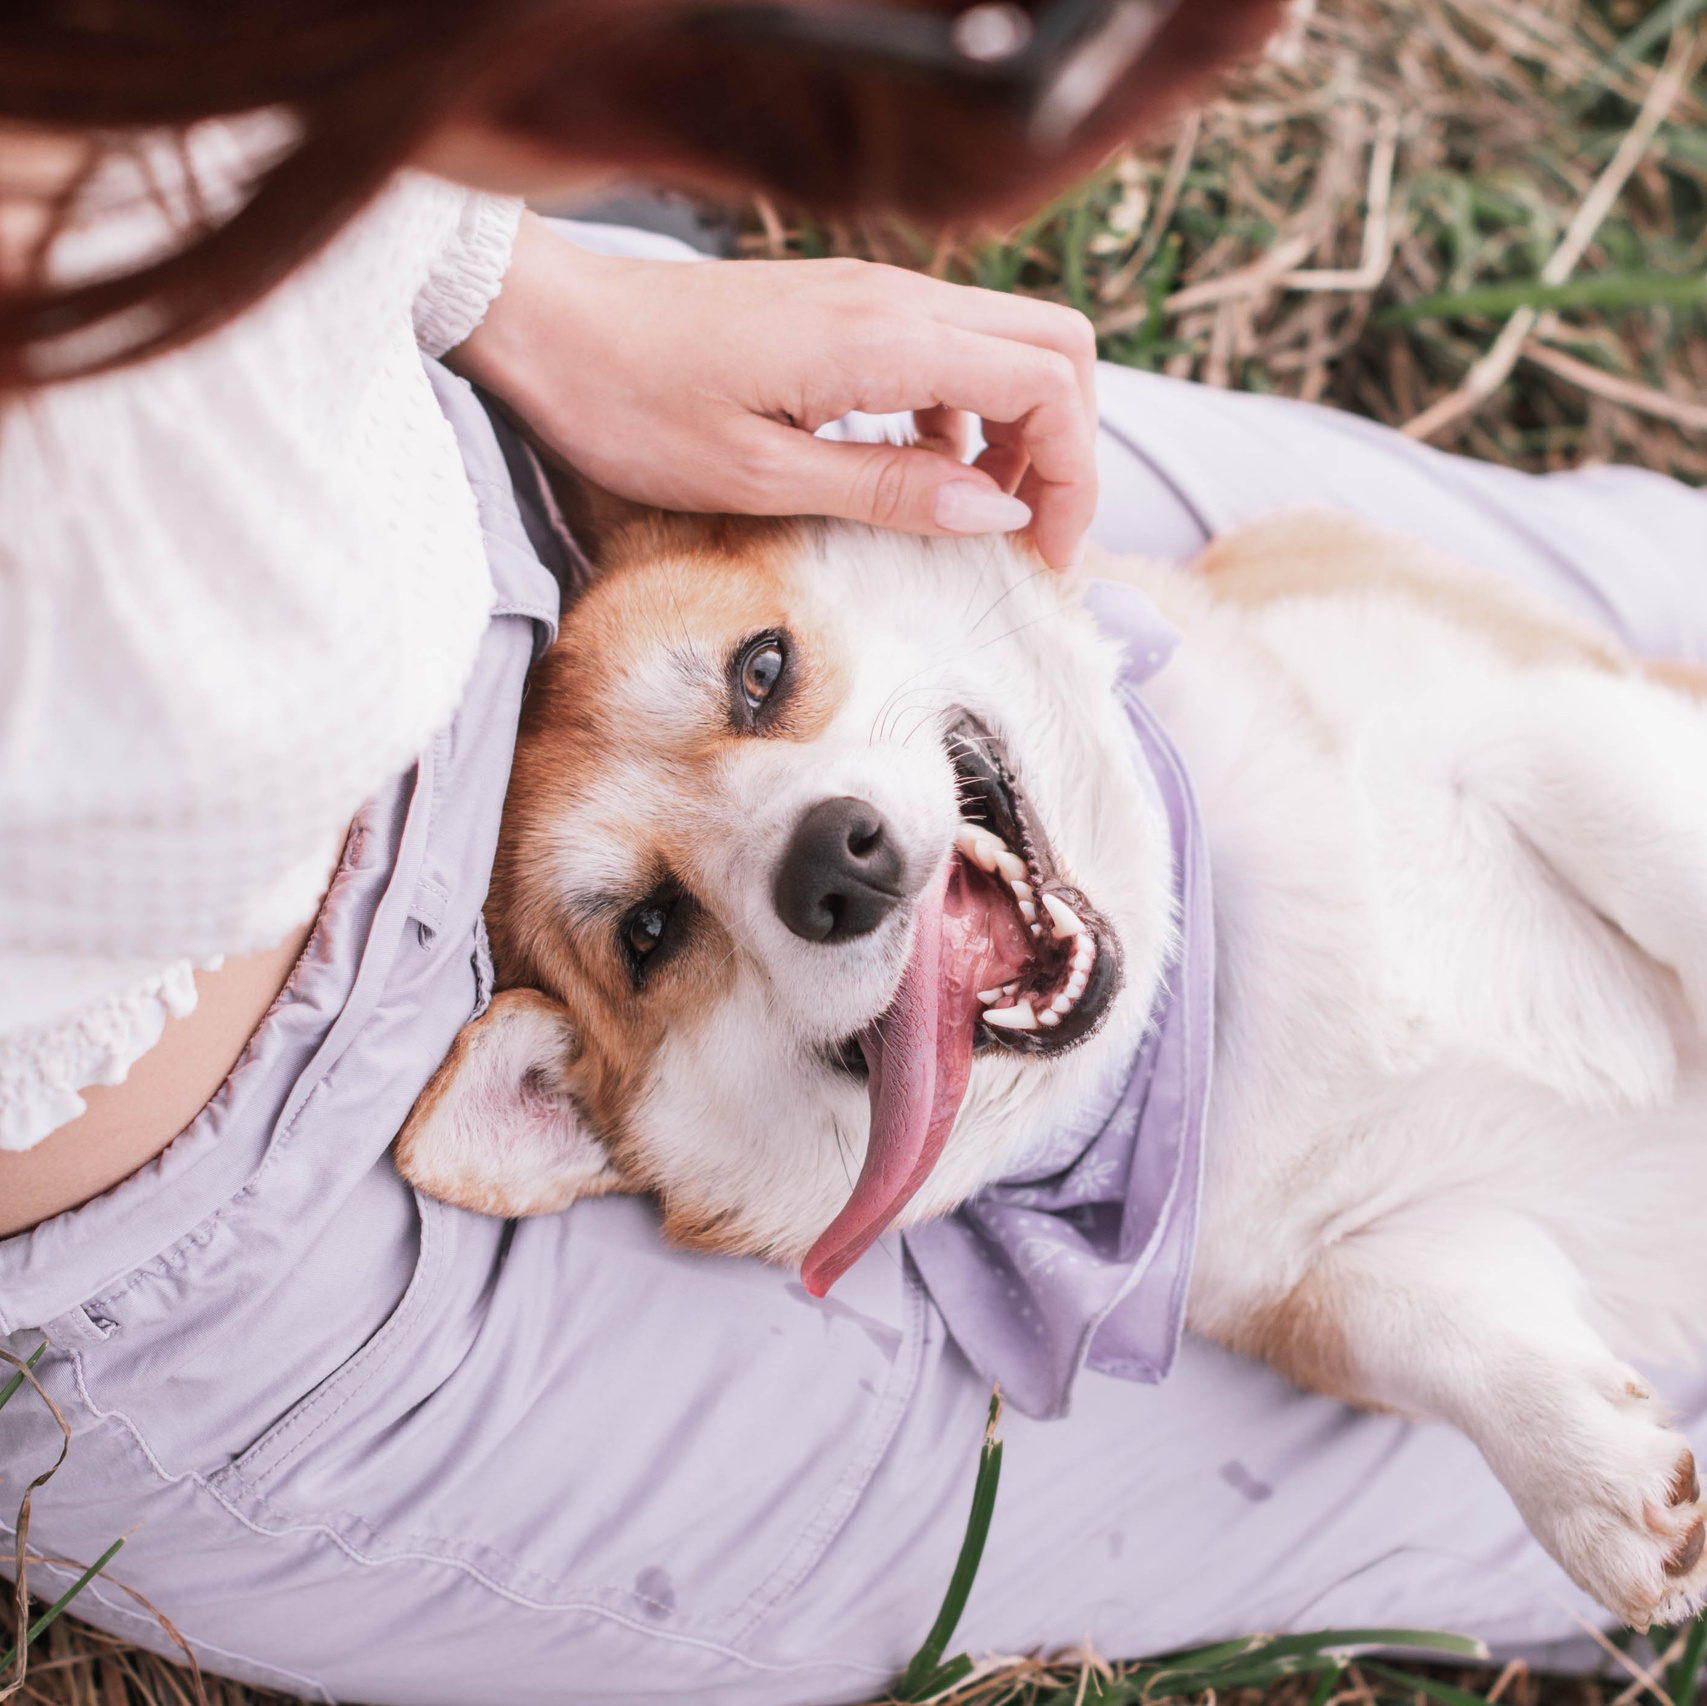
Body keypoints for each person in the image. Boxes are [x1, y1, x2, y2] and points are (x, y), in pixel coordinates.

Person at [2, 4, 1706, 1702]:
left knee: (1615, 606)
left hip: (501, 430)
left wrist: (512, 284)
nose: (791, 847)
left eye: (761, 691)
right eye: (653, 929)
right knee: (1456, 1469)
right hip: (263, 1183)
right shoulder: (130, 622)